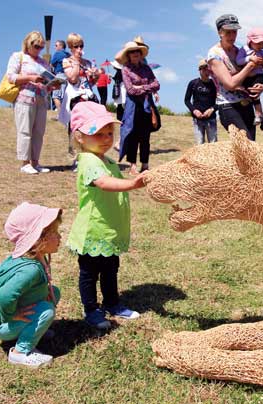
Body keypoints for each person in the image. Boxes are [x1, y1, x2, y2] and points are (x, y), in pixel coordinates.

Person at [67, 102, 147, 330]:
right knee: (90, 273)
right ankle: (91, 309)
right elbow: (104, 183)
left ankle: (113, 303)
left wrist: (135, 175)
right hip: (94, 229)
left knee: (111, 269)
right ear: (80, 137)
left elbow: (113, 177)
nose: (105, 138)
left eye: (109, 133)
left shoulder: (107, 160)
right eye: (98, 133)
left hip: (109, 228)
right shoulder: (89, 160)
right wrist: (132, 184)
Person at [0, 202, 62, 368]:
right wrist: (11, 315)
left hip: (7, 319)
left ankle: (33, 329)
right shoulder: (29, 270)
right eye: (55, 232)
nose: (60, 237)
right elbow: (5, 296)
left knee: (53, 292)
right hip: (1, 325)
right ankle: (20, 352)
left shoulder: (35, 257)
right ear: (39, 239)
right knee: (47, 311)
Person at [6, 31, 59, 174]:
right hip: (25, 98)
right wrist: (30, 78)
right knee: (25, 130)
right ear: (28, 44)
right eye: (36, 46)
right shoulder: (18, 57)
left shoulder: (43, 62)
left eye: (41, 47)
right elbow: (11, 77)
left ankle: (35, 162)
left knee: (39, 132)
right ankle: (25, 162)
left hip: (42, 99)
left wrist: (53, 85)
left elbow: (47, 81)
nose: (38, 50)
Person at [207, 14, 263, 141]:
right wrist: (251, 64)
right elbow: (230, 84)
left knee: (250, 146)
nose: (232, 36)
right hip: (228, 106)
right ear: (219, 32)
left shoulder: (239, 51)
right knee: (246, 145)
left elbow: (251, 76)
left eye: (234, 32)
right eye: (228, 32)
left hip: (246, 103)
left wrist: (259, 86)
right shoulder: (214, 55)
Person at [116, 40, 160, 175]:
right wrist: (147, 88)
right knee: (133, 135)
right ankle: (133, 166)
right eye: (132, 52)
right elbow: (130, 90)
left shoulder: (147, 68)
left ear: (141, 54)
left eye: (137, 52)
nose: (135, 54)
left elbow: (157, 84)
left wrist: (141, 87)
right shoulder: (126, 69)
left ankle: (145, 165)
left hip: (147, 106)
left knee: (145, 137)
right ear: (128, 55)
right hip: (133, 107)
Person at [59, 33, 100, 158]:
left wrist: (95, 75)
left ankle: (89, 154)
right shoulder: (67, 61)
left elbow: (92, 83)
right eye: (76, 46)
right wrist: (76, 62)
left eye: (81, 46)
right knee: (75, 128)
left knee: (89, 127)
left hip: (87, 97)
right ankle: (75, 157)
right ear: (71, 47)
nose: (79, 49)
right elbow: (72, 78)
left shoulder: (88, 63)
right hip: (74, 99)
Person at [236, 27, 263, 130]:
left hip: (258, 76)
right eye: (258, 43)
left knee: (254, 94)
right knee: (247, 95)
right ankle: (261, 116)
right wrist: (249, 58)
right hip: (246, 77)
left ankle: (258, 115)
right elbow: (238, 61)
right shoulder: (244, 50)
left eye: (262, 43)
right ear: (250, 41)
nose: (260, 46)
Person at [184, 59, 218, 144]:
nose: (206, 71)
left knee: (214, 145)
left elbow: (220, 101)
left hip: (211, 119)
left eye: (208, 69)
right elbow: (187, 100)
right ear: (199, 70)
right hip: (197, 119)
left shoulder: (215, 84)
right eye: (203, 69)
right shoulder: (193, 83)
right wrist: (194, 110)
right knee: (199, 145)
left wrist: (212, 109)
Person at [50, 40, 70, 118]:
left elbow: (51, 64)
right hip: (68, 76)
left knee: (56, 96)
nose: (55, 47)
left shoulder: (58, 53)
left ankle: (61, 115)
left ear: (61, 46)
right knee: (64, 96)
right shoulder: (68, 55)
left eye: (56, 45)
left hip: (60, 75)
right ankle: (65, 114)